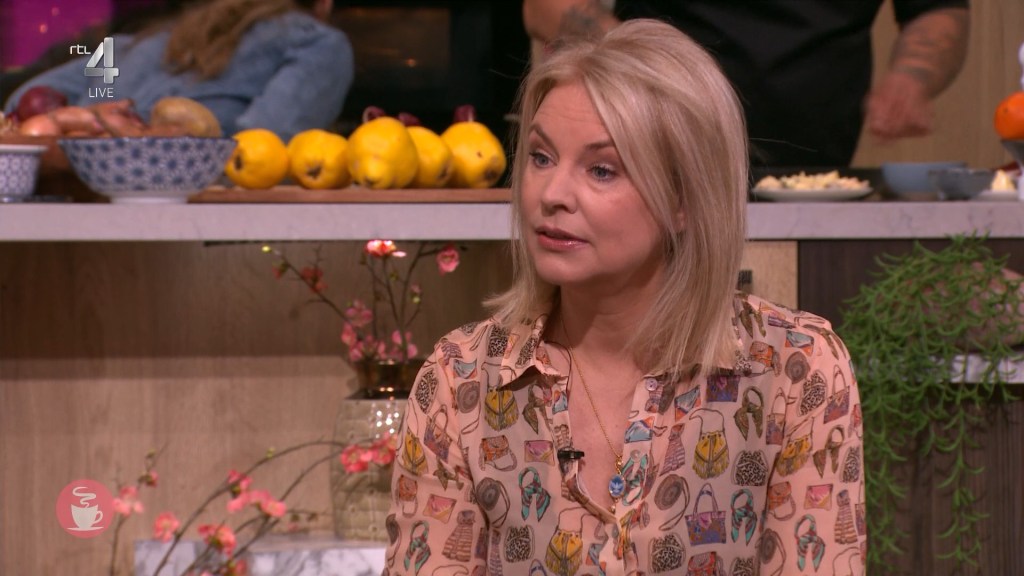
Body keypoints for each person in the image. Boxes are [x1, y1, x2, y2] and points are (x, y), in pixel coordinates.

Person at [385, 19, 865, 575]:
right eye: (540, 157)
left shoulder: (796, 370)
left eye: (601, 169)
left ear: (684, 199)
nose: (552, 194)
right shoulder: (460, 379)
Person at [522, 0, 969, 167]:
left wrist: (912, 77)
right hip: (654, 162)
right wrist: (647, 64)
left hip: (814, 171)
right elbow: (545, 6)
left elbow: (938, 9)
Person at [3, 0, 353, 141]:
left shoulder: (132, 45)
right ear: (323, 4)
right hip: (179, 229)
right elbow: (260, 147)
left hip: (69, 209)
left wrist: (83, 120)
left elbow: (24, 103)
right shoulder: (318, 43)